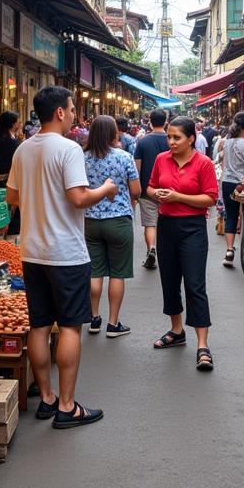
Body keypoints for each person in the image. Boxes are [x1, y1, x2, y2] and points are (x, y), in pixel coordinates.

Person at [6, 86, 116, 429]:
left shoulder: (24, 149)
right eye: (71, 109)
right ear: (59, 113)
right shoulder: (68, 149)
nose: (73, 115)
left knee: (39, 326)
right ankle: (68, 406)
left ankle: (47, 398)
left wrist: (40, 203)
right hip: (65, 252)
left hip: (32, 250)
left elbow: (12, 196)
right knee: (69, 326)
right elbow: (79, 197)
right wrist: (107, 189)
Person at [148, 115, 219, 371]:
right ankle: (176, 330)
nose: (171, 141)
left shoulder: (204, 163)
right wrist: (156, 194)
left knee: (195, 283)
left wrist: (178, 196)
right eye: (169, 136)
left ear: (191, 138)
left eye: (177, 137)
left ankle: (202, 344)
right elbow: (150, 187)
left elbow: (210, 198)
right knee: (169, 280)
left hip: (193, 229)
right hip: (166, 227)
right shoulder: (160, 159)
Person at [83, 115, 139, 338]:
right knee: (117, 273)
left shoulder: (82, 157)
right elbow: (136, 190)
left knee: (94, 271)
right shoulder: (124, 157)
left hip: (90, 221)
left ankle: (94, 318)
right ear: (113, 133)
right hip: (119, 220)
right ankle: (113, 323)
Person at [219, 111, 244, 268]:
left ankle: (229, 250)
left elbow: (223, 162)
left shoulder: (226, 143)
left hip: (228, 182)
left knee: (231, 216)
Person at [134, 109, 170, 269]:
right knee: (166, 222)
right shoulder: (172, 140)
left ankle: (152, 248)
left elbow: (137, 168)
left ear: (150, 121)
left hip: (147, 190)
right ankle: (166, 251)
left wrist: (136, 190)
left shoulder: (142, 142)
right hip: (170, 189)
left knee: (150, 223)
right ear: (166, 121)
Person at [0, 111, 22, 235]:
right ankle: (11, 239)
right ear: (13, 124)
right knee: (13, 212)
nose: (20, 124)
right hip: (12, 181)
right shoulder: (17, 144)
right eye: (18, 122)